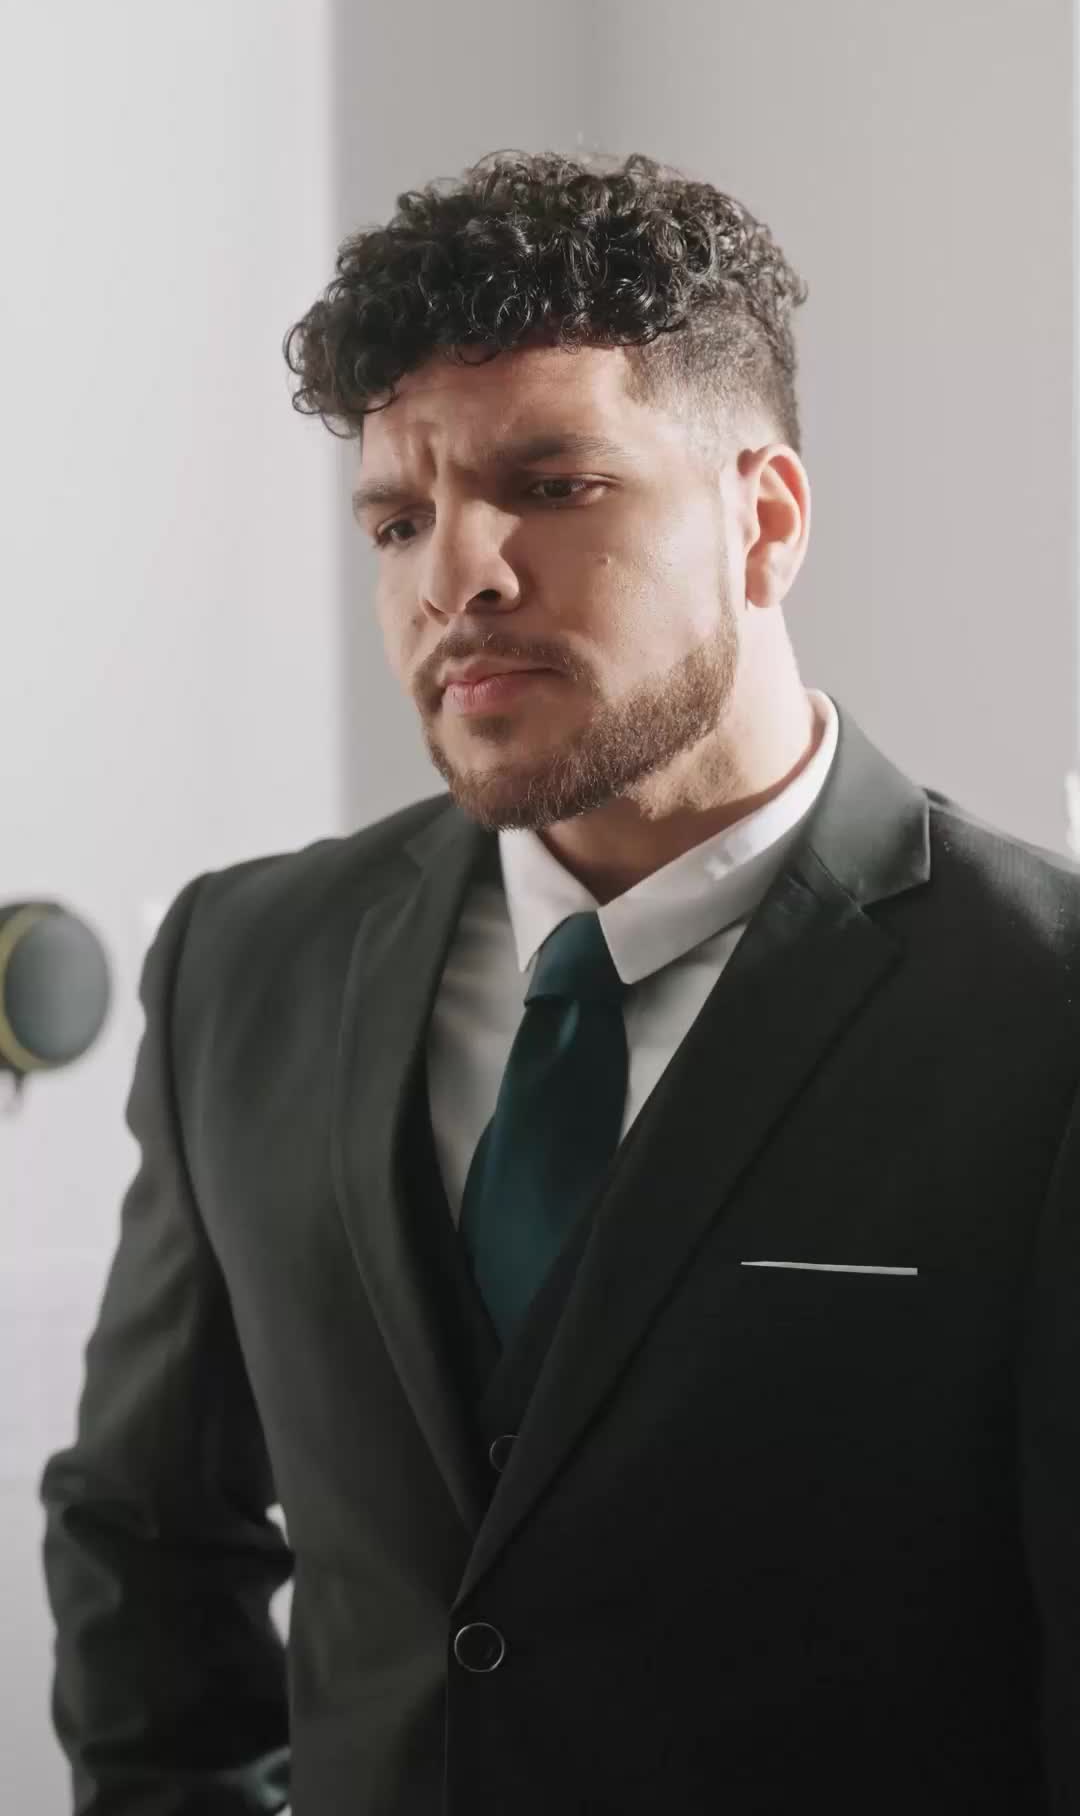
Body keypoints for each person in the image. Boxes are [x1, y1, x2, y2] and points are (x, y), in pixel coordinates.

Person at [40, 148, 1080, 1814]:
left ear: (766, 519)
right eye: (399, 519)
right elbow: (147, 1532)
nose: (455, 575)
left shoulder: (1043, 1010)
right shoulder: (247, 962)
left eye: (554, 484)